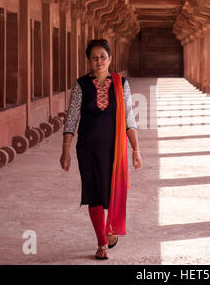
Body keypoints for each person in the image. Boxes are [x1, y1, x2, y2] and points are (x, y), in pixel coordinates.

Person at [60, 39, 142, 260]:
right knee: (94, 193)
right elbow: (72, 118)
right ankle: (101, 242)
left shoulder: (121, 83)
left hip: (114, 150)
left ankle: (110, 228)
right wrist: (65, 149)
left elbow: (129, 118)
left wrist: (135, 149)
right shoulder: (81, 85)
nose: (98, 61)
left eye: (102, 56)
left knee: (114, 191)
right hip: (87, 149)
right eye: (94, 57)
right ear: (89, 60)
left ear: (110, 59)